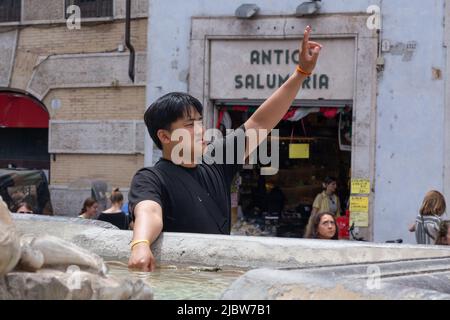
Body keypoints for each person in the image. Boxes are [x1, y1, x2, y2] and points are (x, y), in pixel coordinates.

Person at [128, 26, 322, 271]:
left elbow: (261, 122)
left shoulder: (217, 160)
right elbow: (149, 211)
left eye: (199, 122)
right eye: (189, 125)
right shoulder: (151, 178)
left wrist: (301, 73)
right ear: (165, 136)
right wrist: (141, 243)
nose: (200, 129)